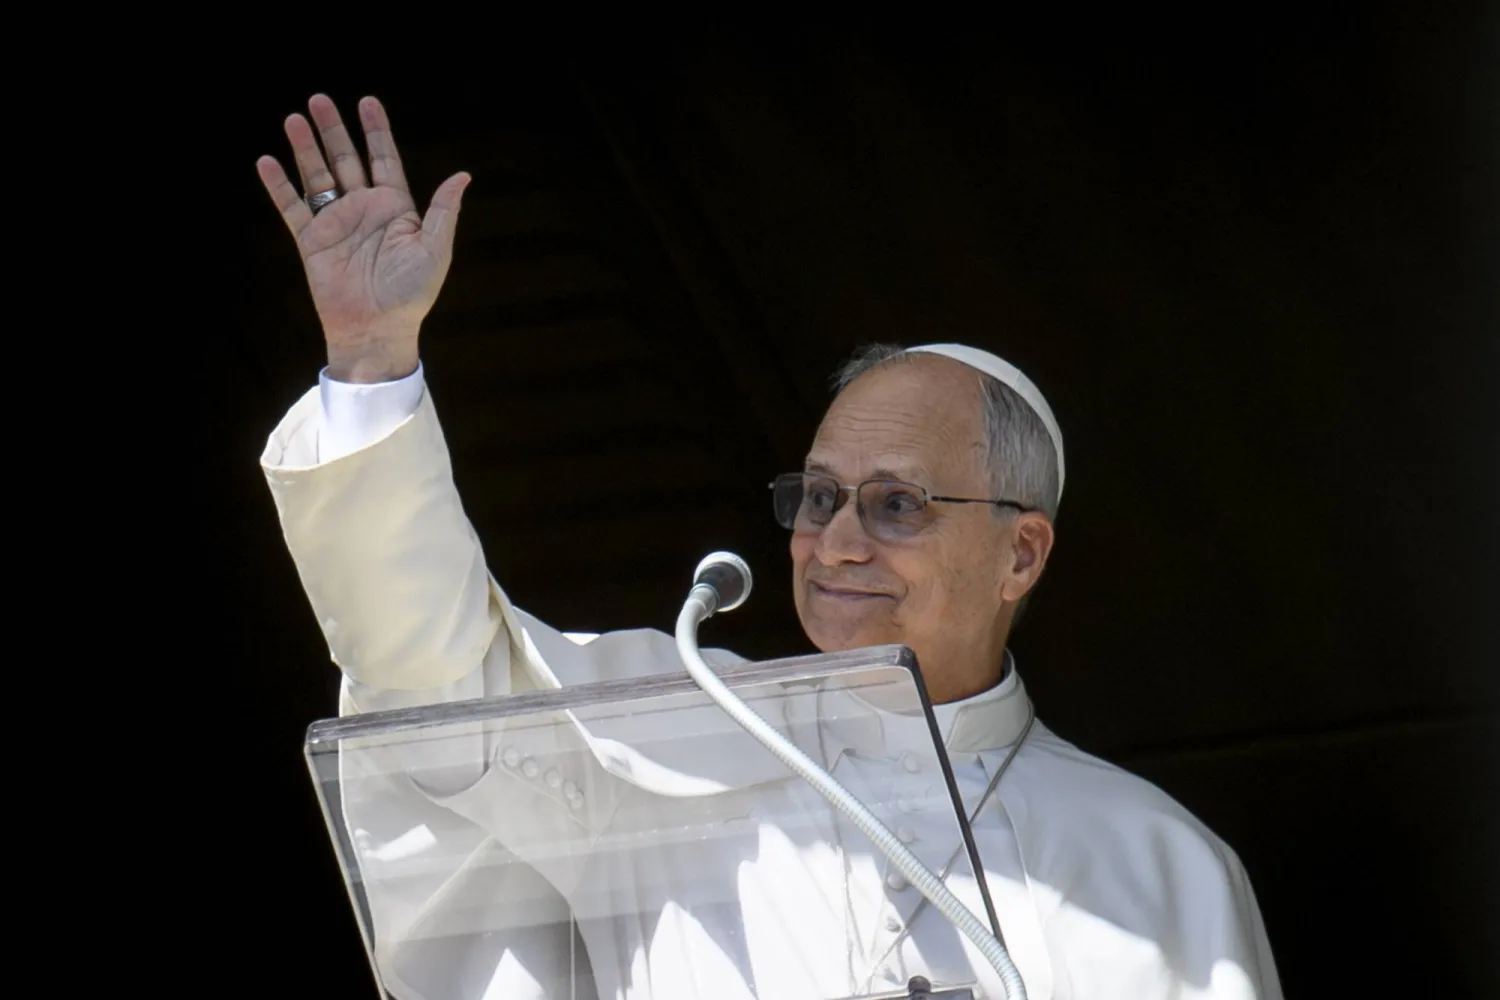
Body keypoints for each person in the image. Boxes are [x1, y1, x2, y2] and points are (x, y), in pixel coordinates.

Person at [258, 94, 1283, 1000]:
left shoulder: (1158, 869)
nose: (835, 542)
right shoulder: (660, 752)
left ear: (1020, 554)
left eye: (895, 506)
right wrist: (372, 362)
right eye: (818, 498)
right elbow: (427, 675)